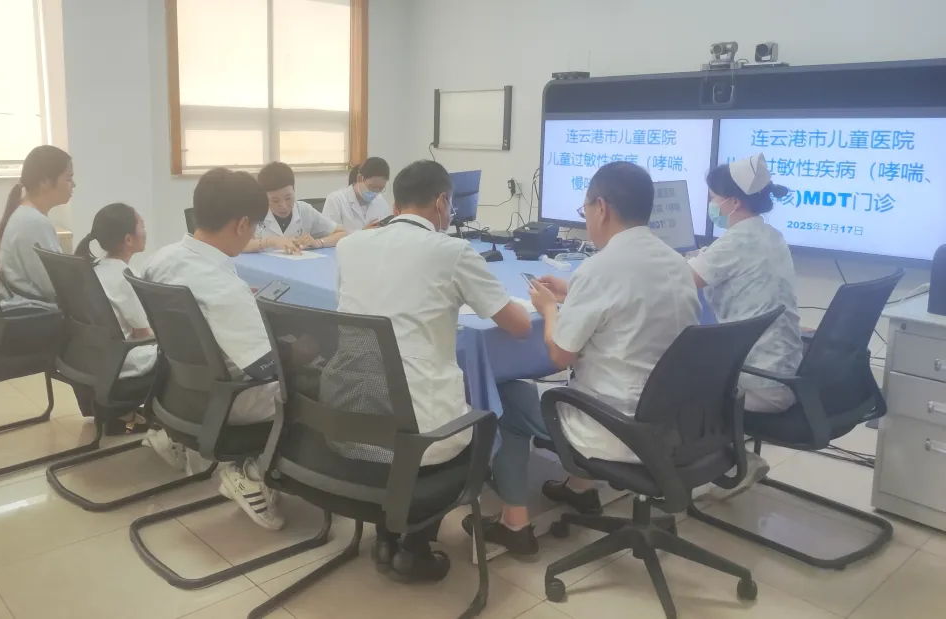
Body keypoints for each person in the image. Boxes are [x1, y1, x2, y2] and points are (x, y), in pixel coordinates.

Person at [466, 162, 700, 555]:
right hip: (671, 422)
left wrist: (549, 309)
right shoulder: (676, 263)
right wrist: (575, 292)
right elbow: (628, 304)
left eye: (585, 209)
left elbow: (560, 354)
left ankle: (513, 523)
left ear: (602, 208)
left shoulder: (601, 268)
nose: (587, 216)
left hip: (615, 425)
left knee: (505, 394)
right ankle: (580, 488)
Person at [331, 159, 533, 582]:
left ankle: (388, 535)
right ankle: (414, 546)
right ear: (442, 203)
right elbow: (517, 325)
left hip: (353, 416)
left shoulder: (350, 246)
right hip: (421, 433)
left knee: (405, 390)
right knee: (492, 404)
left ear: (396, 204)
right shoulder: (452, 252)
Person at [142, 167, 285, 531]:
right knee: (324, 386)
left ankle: (173, 438)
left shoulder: (163, 258)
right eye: (254, 227)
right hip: (229, 399)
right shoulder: (224, 289)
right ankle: (252, 473)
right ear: (242, 224)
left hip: (177, 389)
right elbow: (268, 366)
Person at [689, 153, 803, 499]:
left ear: (734, 202)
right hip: (783, 372)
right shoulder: (770, 235)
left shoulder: (737, 241)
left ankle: (731, 461)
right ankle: (730, 455)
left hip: (756, 381)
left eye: (713, 198)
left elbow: (682, 280)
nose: (711, 204)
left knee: (668, 379)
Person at [72, 203, 156, 435]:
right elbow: (143, 333)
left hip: (93, 357)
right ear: (128, 239)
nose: (145, 230)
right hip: (123, 361)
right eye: (142, 225)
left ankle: (125, 415)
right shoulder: (124, 277)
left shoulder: (93, 269)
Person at [0, 145, 74, 308]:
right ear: (45, 182)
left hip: (21, 305)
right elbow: (54, 286)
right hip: (35, 311)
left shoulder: (23, 213)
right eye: (68, 178)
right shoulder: (33, 222)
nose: (74, 185)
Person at [243, 162, 347, 254]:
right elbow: (239, 245)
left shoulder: (305, 210)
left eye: (288, 198)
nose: (283, 206)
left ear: (294, 190)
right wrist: (271, 242)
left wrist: (319, 242)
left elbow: (343, 233)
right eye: (275, 201)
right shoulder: (255, 212)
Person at [323, 157, 392, 232]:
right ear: (359, 178)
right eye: (372, 187)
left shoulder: (381, 201)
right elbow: (328, 234)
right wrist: (362, 232)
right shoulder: (336, 200)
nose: (375, 192)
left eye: (380, 189)